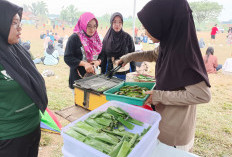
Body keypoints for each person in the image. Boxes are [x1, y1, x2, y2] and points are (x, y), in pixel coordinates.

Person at [117, 0, 211, 152]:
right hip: (166, 123)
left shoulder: (182, 54)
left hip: (175, 134)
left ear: (163, 23)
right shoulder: (170, 43)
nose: (145, 32)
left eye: (148, 27)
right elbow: (152, 54)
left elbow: (203, 95)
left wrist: (159, 96)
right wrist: (129, 57)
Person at [0, 1, 48, 157]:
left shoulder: (19, 51)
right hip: (10, 136)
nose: (20, 28)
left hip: (33, 127)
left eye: (19, 22)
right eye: (14, 23)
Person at [64, 12, 102, 91]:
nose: (92, 29)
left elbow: (103, 55)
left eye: (95, 26)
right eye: (89, 26)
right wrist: (84, 64)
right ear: (83, 24)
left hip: (94, 79)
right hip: (78, 80)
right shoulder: (74, 38)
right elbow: (68, 58)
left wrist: (98, 62)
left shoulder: (96, 39)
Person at [98, 12, 136, 80]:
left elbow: (133, 57)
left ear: (122, 23)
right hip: (110, 74)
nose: (117, 25)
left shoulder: (127, 38)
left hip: (125, 74)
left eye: (120, 22)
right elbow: (103, 58)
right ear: (111, 23)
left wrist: (133, 73)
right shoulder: (106, 39)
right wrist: (102, 74)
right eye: (114, 22)